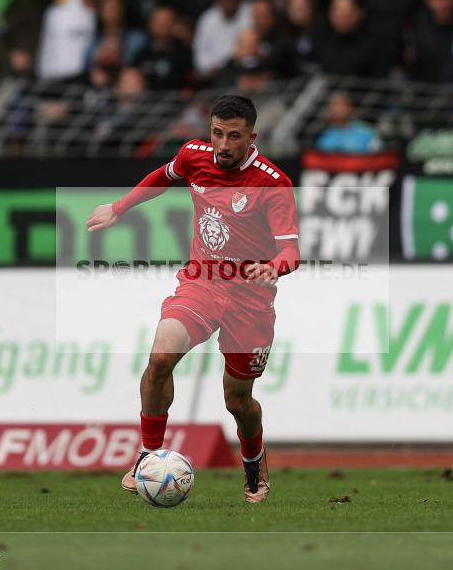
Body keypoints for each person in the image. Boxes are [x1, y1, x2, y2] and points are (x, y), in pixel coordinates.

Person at [86, 95, 300, 503]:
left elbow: (291, 249)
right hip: (201, 283)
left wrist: (275, 266)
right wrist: (119, 207)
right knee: (160, 358)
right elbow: (162, 177)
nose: (223, 144)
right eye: (217, 133)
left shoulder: (273, 182)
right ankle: (148, 455)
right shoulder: (193, 155)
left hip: (250, 303)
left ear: (252, 137)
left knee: (238, 401)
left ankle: (254, 462)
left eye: (233, 136)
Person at [315, 91, 382, 153]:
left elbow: (376, 158)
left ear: (350, 107)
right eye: (333, 106)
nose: (336, 109)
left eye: (340, 105)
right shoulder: (326, 136)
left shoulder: (367, 132)